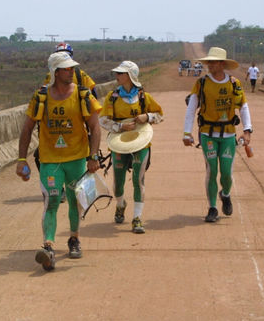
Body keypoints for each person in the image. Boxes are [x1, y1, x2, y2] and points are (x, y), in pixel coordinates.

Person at [16, 51, 102, 271]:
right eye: (66, 68)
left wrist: (93, 156)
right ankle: (48, 247)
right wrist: (21, 159)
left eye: (72, 67)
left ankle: (74, 239)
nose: (72, 71)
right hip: (50, 160)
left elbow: (94, 127)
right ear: (55, 72)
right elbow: (27, 128)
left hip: (76, 159)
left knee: (75, 201)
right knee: (52, 200)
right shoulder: (41, 97)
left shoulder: (82, 95)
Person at [183, 47, 253, 222]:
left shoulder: (234, 84)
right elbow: (192, 108)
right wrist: (186, 132)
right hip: (207, 133)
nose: (210, 65)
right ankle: (212, 208)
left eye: (213, 62)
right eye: (209, 62)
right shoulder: (202, 83)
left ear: (222, 64)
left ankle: (226, 193)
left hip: (228, 135)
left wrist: (247, 130)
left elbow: (243, 106)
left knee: (227, 172)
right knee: (212, 170)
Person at [99, 61, 163, 233]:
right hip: (119, 144)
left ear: (130, 76)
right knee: (118, 182)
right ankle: (120, 204)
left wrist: (147, 116)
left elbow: (159, 115)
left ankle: (137, 218)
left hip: (141, 144)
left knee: (138, 180)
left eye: (121, 73)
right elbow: (102, 120)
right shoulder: (112, 97)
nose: (117, 76)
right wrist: (119, 127)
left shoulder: (144, 97)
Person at [36, 42, 98, 203]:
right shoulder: (52, 75)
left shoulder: (80, 74)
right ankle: (59, 187)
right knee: (39, 155)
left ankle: (81, 187)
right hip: (59, 120)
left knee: (88, 148)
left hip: (78, 114)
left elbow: (93, 92)